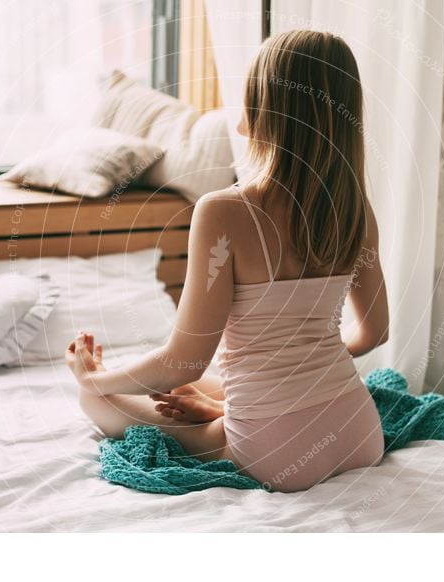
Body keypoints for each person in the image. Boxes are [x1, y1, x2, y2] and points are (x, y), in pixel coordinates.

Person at [66, 29, 389, 492]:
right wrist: (293, 372)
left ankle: (218, 420)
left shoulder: (225, 212)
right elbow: (375, 333)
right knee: (185, 392)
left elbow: (183, 363)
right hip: (358, 430)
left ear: (264, 107)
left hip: (275, 451)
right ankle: (227, 411)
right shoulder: (356, 211)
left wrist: (94, 377)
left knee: (98, 400)